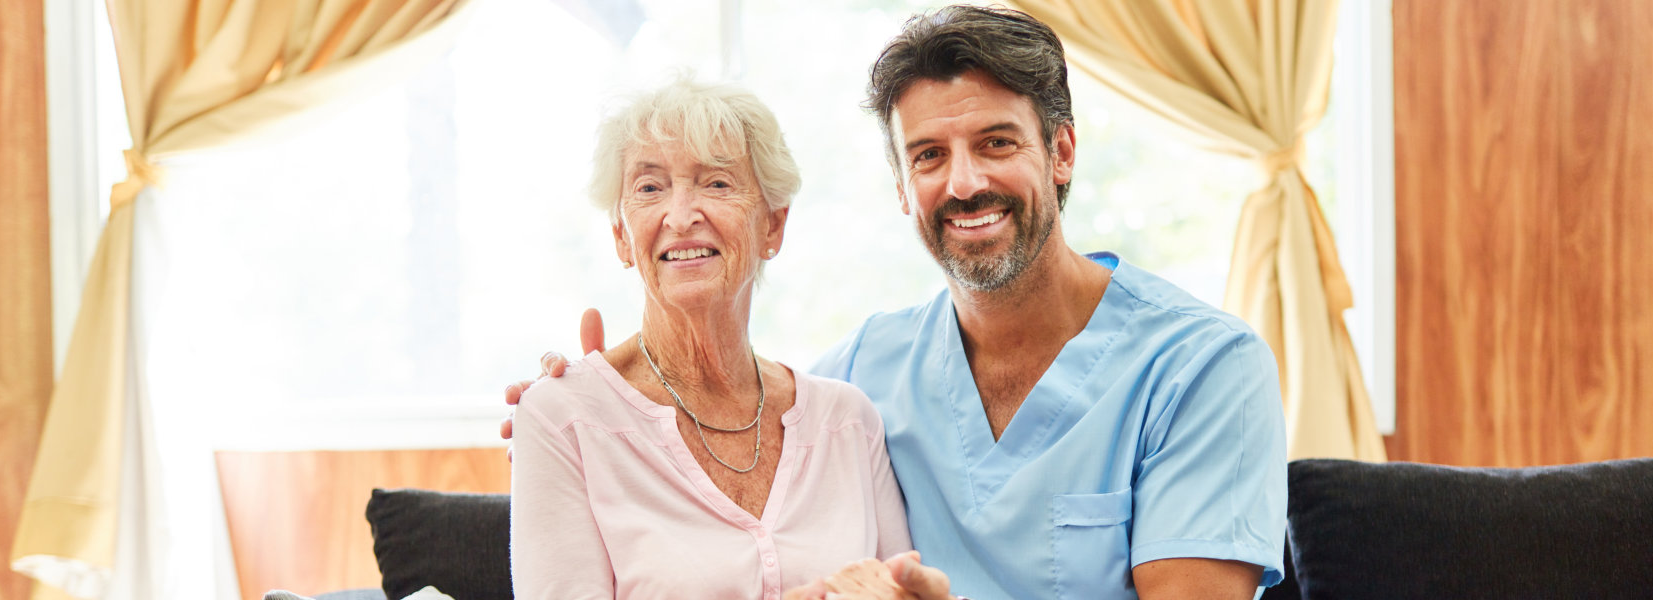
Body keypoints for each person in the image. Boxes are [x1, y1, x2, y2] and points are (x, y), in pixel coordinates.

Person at [505, 7, 1286, 599]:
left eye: (997, 143)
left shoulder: (1203, 369)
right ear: (903, 188)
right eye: (929, 156)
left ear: (1062, 152)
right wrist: (589, 405)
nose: (965, 183)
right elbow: (710, 427)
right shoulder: (859, 382)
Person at [507, 77, 912, 599]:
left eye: (717, 183)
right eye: (650, 188)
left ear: (773, 226)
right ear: (621, 238)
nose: (680, 216)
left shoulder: (848, 421)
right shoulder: (562, 419)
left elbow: (905, 591)